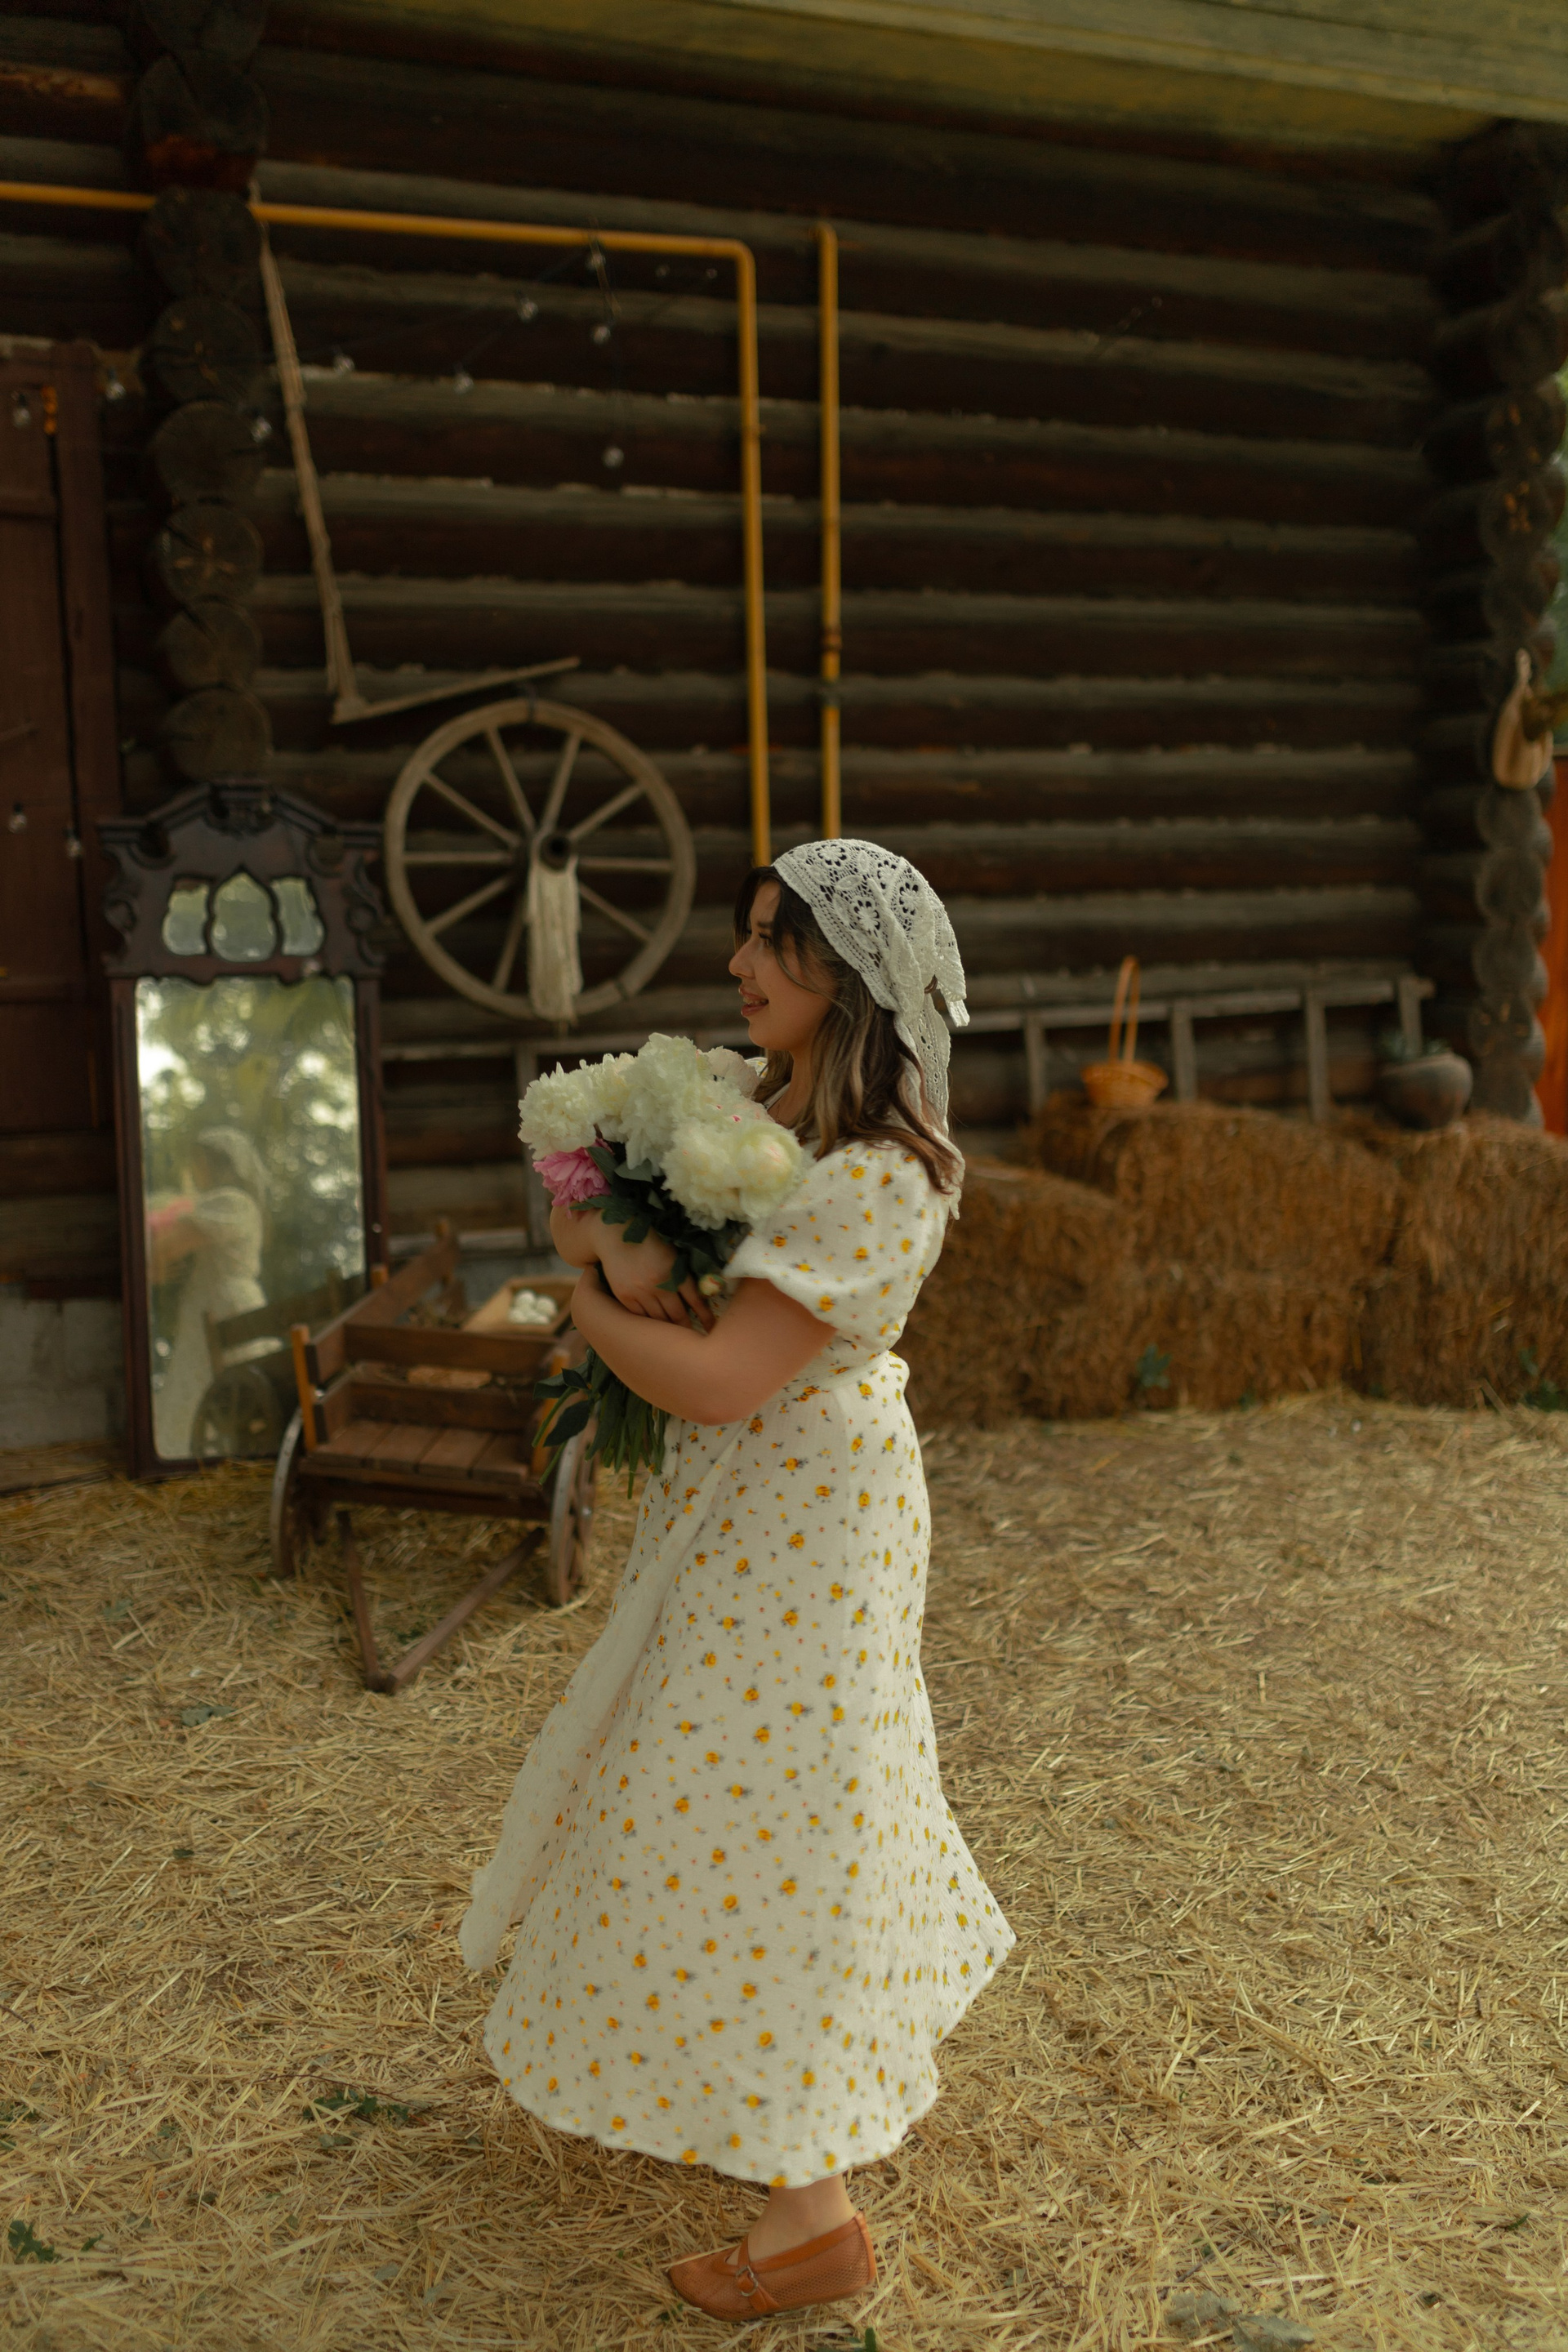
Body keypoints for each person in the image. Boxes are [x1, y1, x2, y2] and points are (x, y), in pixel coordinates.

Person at [459, 840, 1015, 2323]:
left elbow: (717, 1379)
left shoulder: (885, 1177)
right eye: (749, 934)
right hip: (735, 1502)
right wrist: (609, 1243)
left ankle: (811, 2213)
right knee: (722, 1794)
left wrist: (586, 1301)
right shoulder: (738, 1100)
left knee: (774, 1809)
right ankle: (773, 2136)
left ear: (855, 973)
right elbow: (573, 1189)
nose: (740, 964)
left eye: (776, 941)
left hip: (810, 1512)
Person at [145, 1125, 269, 1460]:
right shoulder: (223, 1203)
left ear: (218, 1164)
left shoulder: (232, 1202)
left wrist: (157, 1253)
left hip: (224, 1306)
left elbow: (169, 1246)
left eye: (199, 1161)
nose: (193, 1169)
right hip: (209, 1306)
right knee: (204, 1390)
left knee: (216, 1390)